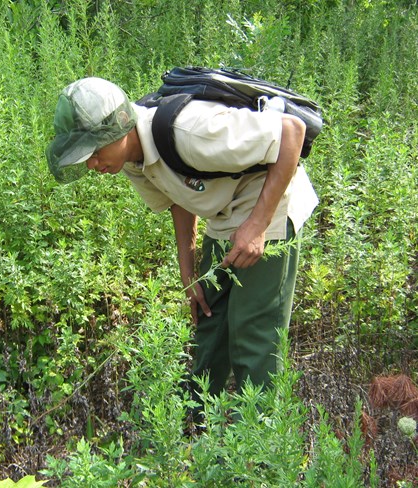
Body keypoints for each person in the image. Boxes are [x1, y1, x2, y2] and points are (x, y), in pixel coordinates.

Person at [45, 77, 318, 404]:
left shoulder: (191, 132)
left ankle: (264, 441)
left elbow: (291, 133)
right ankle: (199, 428)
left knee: (253, 335)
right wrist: (189, 275)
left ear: (117, 129)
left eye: (93, 151)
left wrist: (257, 226)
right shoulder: (131, 160)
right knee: (209, 322)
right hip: (223, 210)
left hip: (270, 203)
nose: (91, 164)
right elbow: (178, 199)